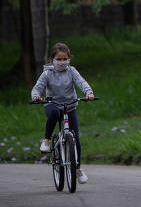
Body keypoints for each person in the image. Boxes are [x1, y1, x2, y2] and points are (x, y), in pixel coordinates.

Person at [31, 42, 95, 184]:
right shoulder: (47, 73)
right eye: (58, 59)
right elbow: (37, 88)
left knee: (76, 138)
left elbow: (81, 82)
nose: (62, 62)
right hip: (52, 104)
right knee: (53, 114)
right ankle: (47, 140)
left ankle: (77, 168)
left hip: (70, 106)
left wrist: (89, 93)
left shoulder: (72, 71)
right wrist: (36, 97)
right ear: (51, 60)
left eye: (65, 59)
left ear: (69, 59)